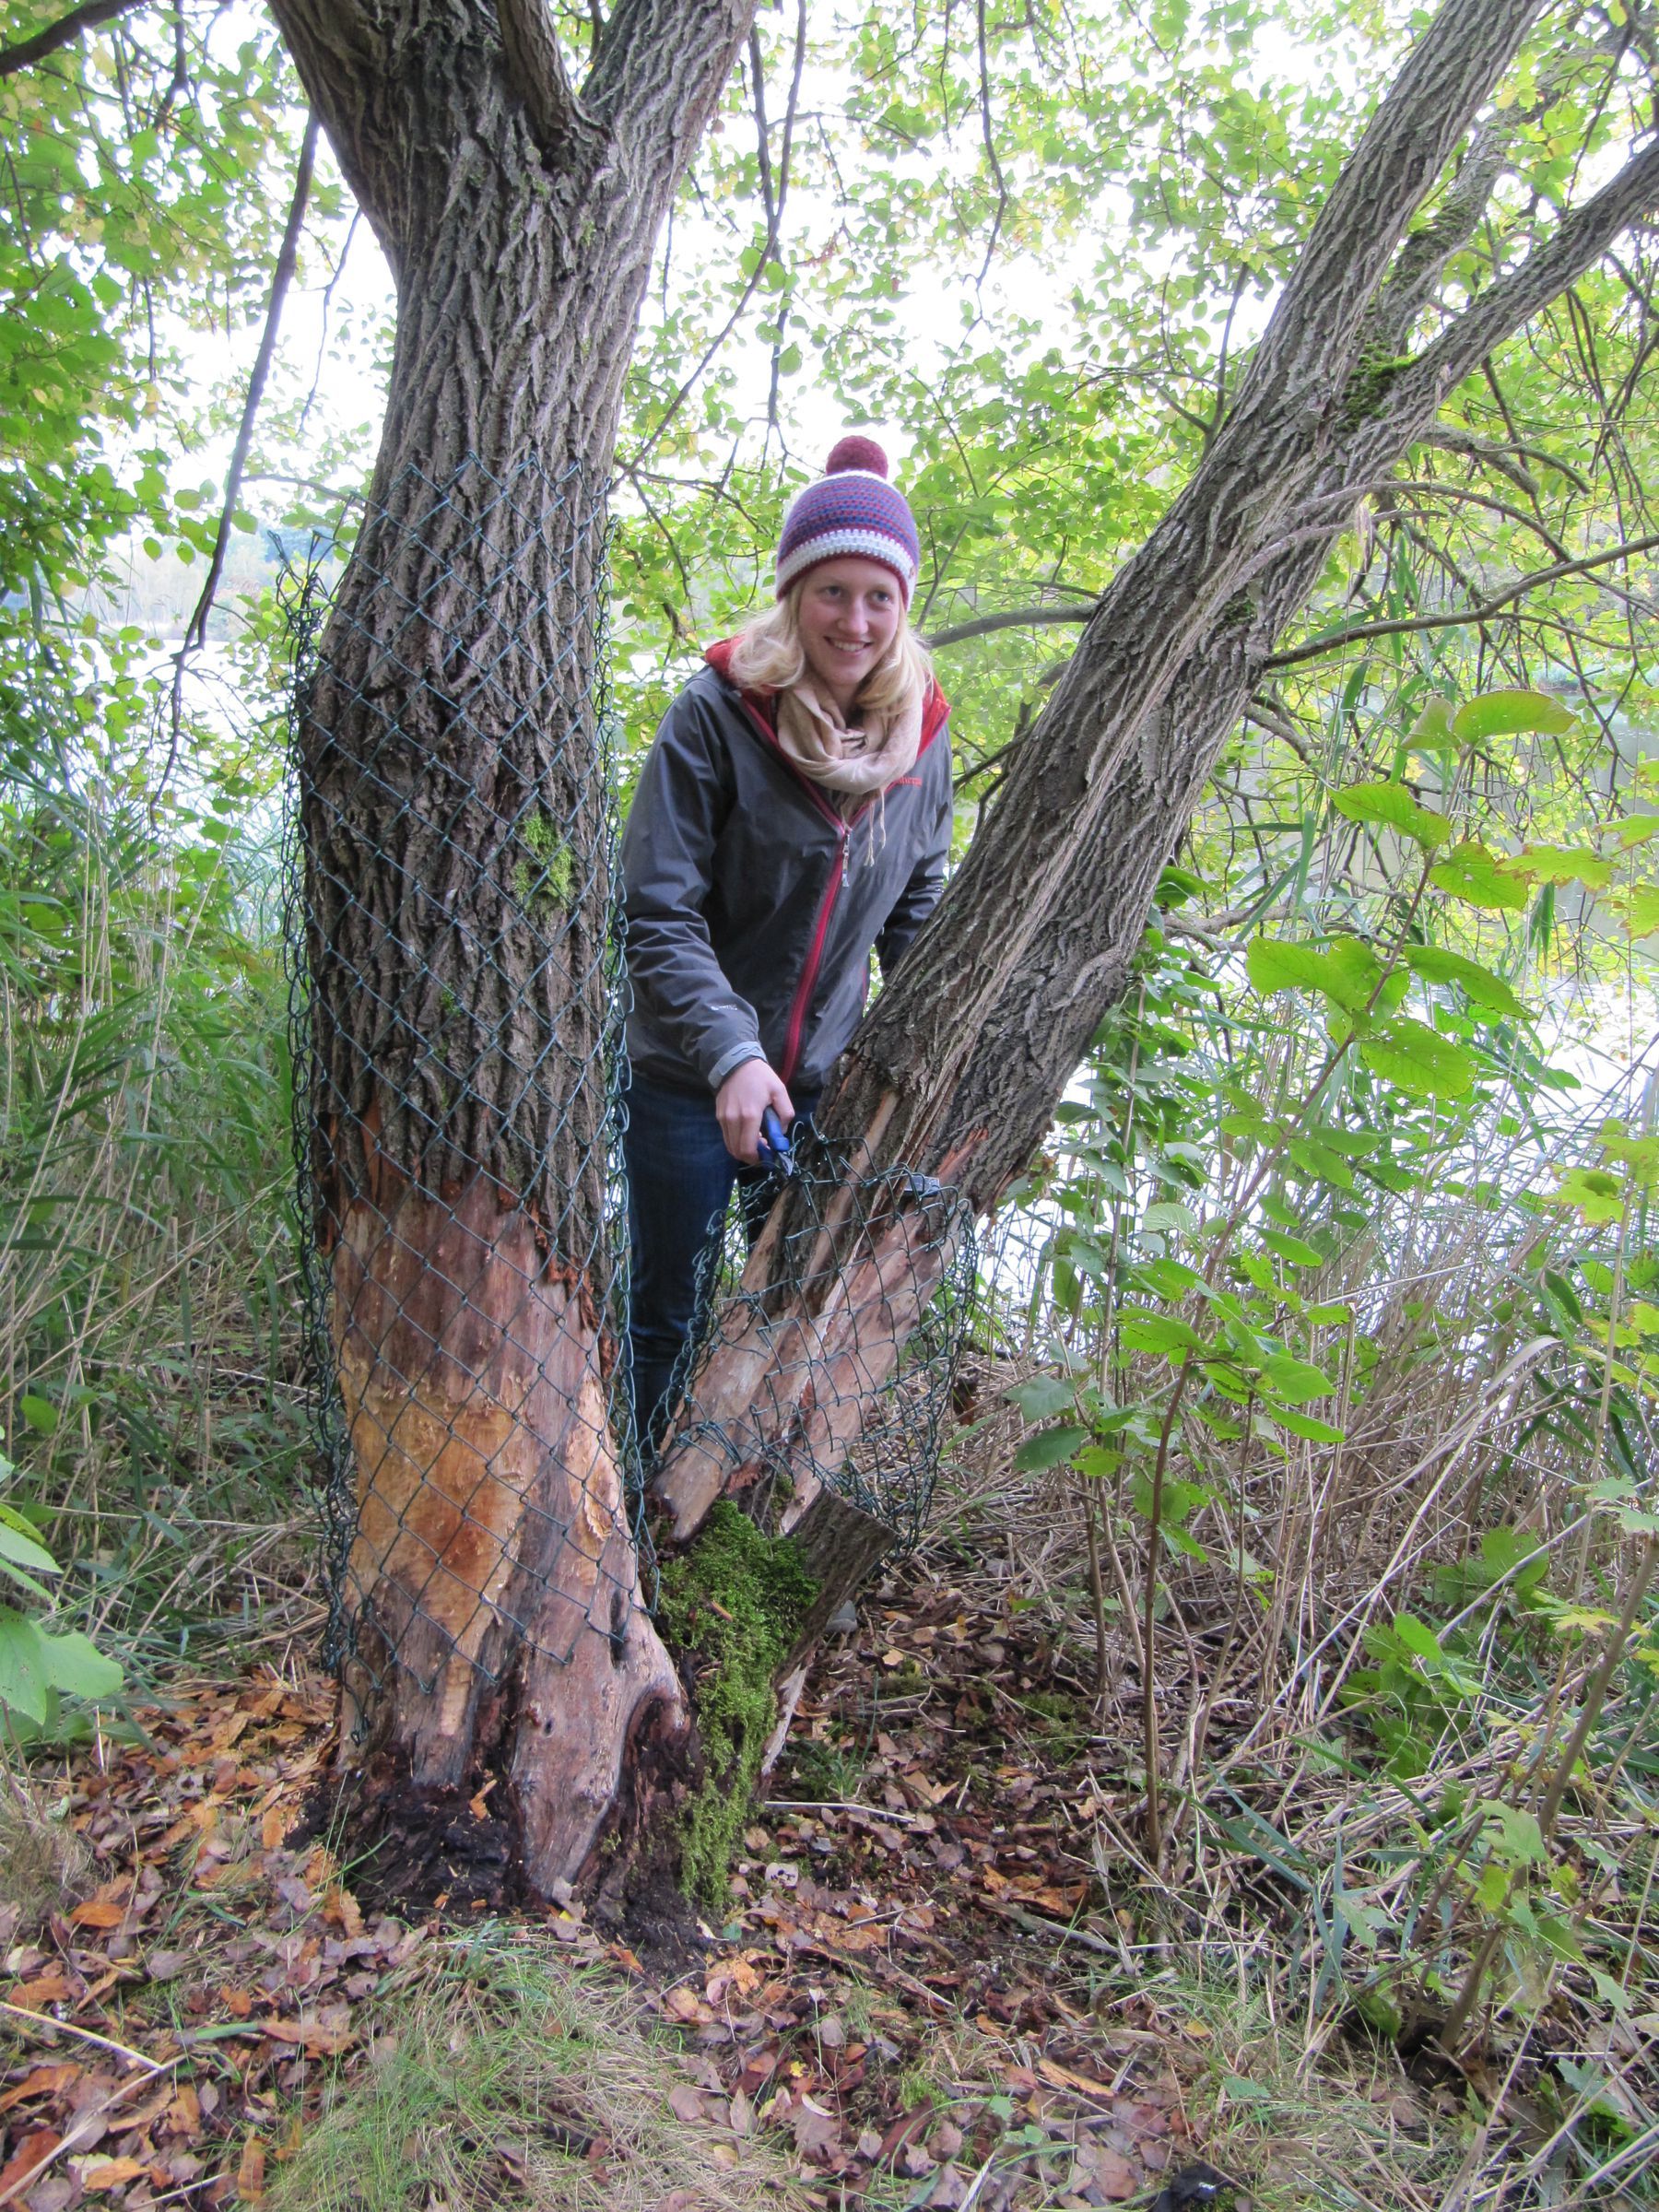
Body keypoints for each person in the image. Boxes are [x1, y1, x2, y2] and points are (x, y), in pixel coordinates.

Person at [620, 436, 953, 1453]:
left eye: (878, 597)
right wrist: (730, 1052)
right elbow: (656, 911)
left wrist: (931, 1055)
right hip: (688, 1077)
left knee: (787, 1314)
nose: (855, 621)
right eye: (832, 593)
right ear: (793, 593)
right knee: (665, 1313)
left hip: (820, 1088)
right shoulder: (717, 716)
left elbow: (918, 899)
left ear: (902, 607)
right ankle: (627, 1515)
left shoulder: (921, 736)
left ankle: (720, 1514)